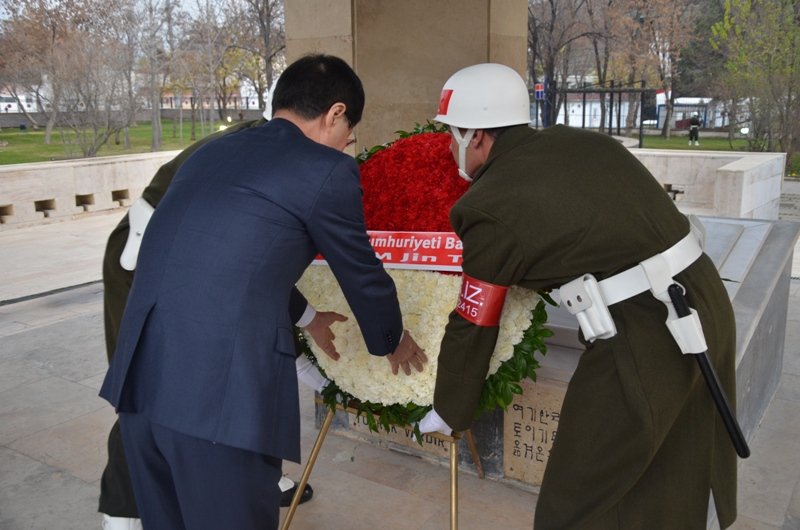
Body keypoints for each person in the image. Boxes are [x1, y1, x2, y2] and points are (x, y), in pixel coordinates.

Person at [99, 54, 427, 530]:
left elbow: (228, 264)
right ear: (336, 113)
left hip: (142, 392)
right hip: (218, 404)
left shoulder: (212, 152)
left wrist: (310, 317)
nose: (346, 145)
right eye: (349, 133)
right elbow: (361, 272)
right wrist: (391, 340)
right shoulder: (324, 169)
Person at [419, 63, 738, 529]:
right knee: (669, 482)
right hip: (702, 301)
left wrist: (449, 409)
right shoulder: (585, 143)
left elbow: (474, 320)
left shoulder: (488, 207)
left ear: (477, 137)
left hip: (647, 338)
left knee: (574, 503)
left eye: (452, 135)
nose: (450, 148)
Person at [99, 115, 322, 528]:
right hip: (140, 266)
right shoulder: (258, 150)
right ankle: (121, 511)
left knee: (228, 389)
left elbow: (252, 266)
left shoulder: (271, 144)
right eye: (347, 134)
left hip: (182, 265)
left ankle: (253, 476)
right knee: (145, 395)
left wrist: (308, 326)